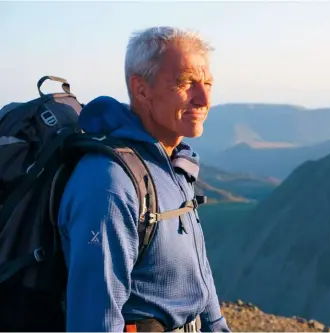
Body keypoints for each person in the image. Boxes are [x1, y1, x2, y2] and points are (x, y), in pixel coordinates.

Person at [57, 26, 230, 332]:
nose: (204, 98)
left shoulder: (173, 163)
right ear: (141, 90)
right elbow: (95, 320)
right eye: (187, 82)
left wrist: (216, 325)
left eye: (207, 83)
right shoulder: (110, 183)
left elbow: (197, 266)